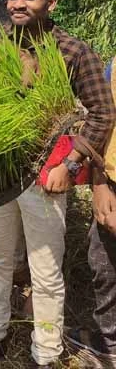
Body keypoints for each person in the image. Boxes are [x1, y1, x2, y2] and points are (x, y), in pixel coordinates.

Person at [0, 0, 116, 368]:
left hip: (46, 176)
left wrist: (72, 162)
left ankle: (45, 352)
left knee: (45, 268)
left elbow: (102, 113)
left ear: (51, 2)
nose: (18, 4)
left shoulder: (74, 52)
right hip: (0, 171)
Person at [65, 58, 116, 367]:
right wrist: (99, 183)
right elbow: (104, 120)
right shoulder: (114, 65)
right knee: (103, 264)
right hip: (111, 183)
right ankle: (109, 341)